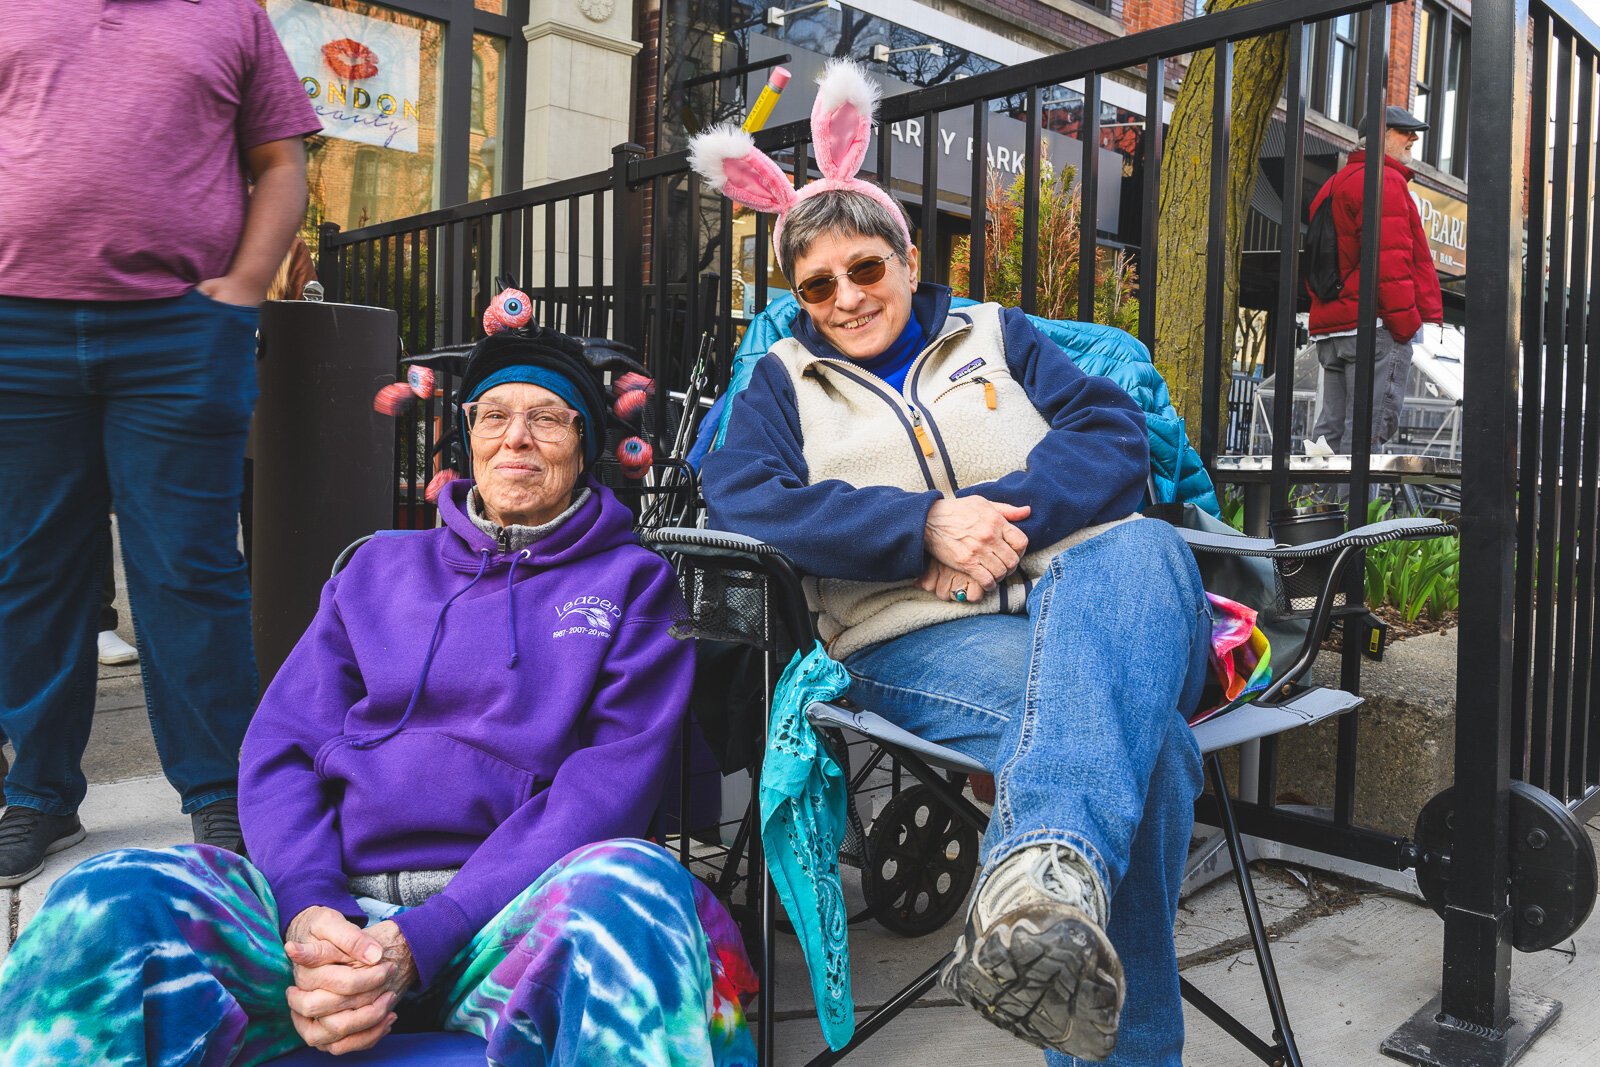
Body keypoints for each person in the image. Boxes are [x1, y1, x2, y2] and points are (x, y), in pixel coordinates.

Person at [0, 331, 757, 1065]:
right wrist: (310, 912)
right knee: (108, 896)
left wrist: (423, 939)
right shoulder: (376, 571)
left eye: (548, 418)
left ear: (585, 444)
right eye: (493, 415)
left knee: (636, 895)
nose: (516, 438)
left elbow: (602, 792)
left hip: (503, 926)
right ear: (468, 437)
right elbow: (284, 748)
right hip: (322, 923)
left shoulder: (630, 584)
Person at [691, 61, 1211, 1065]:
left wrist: (992, 525)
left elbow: (1111, 436)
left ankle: (1038, 872)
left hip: (1083, 596)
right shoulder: (777, 383)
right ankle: (1080, 953)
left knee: (1145, 539)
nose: (845, 298)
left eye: (865, 268)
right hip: (906, 640)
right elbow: (745, 500)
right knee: (1158, 752)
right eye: (817, 284)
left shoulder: (999, 334)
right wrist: (921, 527)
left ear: (906, 255)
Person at [0, 0, 322, 884]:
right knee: (30, 566)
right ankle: (38, 793)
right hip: (16, 325)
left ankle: (221, 788)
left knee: (189, 566)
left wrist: (245, 290)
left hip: (179, 331)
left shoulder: (231, 15)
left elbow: (280, 162)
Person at [1307, 104, 1444, 454]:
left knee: (1328, 440)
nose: (1413, 138)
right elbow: (1391, 260)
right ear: (1381, 138)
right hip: (1374, 327)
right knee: (1367, 436)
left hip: (1334, 328)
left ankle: (1320, 507)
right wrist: (1405, 324)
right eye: (1404, 132)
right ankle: (1357, 512)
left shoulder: (1334, 184)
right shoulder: (1383, 180)